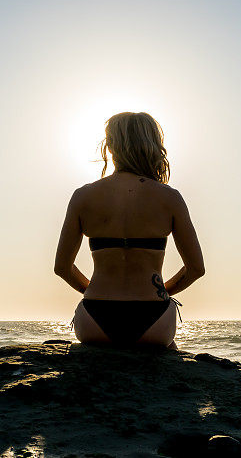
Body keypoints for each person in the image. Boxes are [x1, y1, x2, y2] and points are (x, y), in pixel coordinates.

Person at [54, 111, 205, 348]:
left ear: (111, 146)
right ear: (153, 145)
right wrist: (162, 292)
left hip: (95, 317)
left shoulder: (83, 196)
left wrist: (90, 289)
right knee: (171, 354)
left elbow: (62, 268)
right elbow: (196, 269)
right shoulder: (170, 198)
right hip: (154, 319)